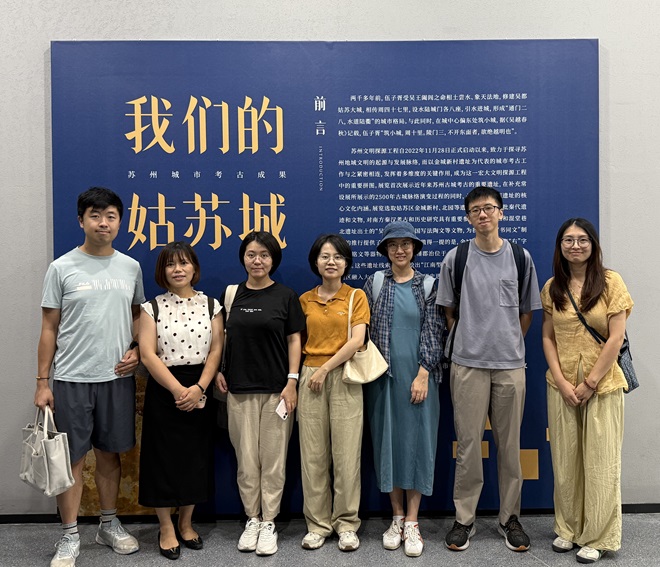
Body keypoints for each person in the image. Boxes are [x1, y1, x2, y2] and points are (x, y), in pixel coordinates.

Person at [34, 187, 145, 567]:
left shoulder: (130, 267)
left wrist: (138, 349)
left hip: (116, 378)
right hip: (71, 379)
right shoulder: (61, 267)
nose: (103, 223)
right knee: (72, 461)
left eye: (111, 216)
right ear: (81, 220)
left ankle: (108, 525)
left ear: (120, 221)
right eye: (95, 215)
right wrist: (42, 382)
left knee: (110, 455)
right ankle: (69, 535)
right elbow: (49, 328)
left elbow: (137, 316)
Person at [436, 186, 541, 553]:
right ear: (468, 217)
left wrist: (507, 343)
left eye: (489, 208)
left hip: (510, 366)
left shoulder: (520, 257)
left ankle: (509, 518)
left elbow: (526, 313)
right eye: (476, 210)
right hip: (467, 365)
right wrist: (471, 339)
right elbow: (448, 311)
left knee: (509, 447)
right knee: (468, 446)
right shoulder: (457, 257)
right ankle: (464, 519)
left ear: (501, 213)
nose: (483, 214)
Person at [541, 218, 632, 564]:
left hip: (602, 384)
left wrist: (590, 382)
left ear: (593, 245)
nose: (575, 246)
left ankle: (597, 536)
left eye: (582, 240)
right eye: (568, 240)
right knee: (565, 460)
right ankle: (568, 529)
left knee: (600, 462)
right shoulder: (553, 287)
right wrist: (562, 381)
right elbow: (547, 337)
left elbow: (616, 337)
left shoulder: (611, 282)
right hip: (562, 384)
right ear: (560, 246)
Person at [215, 231, 305, 557]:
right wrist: (219, 370)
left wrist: (292, 381)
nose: (258, 261)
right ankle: (252, 519)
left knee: (274, 461)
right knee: (246, 461)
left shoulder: (286, 296)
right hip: (239, 390)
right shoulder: (231, 295)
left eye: (264, 255)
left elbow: (295, 340)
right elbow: (221, 338)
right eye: (252, 254)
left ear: (273, 260)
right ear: (243, 258)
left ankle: (269, 522)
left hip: (277, 391)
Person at [363, 221, 445, 557]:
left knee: (418, 444)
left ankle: (413, 521)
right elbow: (364, 332)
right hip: (383, 379)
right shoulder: (375, 283)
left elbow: (435, 330)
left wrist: (423, 373)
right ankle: (396, 517)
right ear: (385, 250)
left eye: (406, 244)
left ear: (414, 249)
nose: (400, 250)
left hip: (419, 379)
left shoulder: (429, 285)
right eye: (393, 245)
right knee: (388, 444)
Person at [138, 241, 223, 560]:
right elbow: (147, 353)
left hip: (200, 385)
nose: (178, 269)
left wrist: (199, 387)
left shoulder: (212, 305)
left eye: (184, 263)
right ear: (163, 271)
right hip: (164, 388)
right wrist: (177, 390)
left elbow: (216, 349)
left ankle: (186, 523)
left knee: (194, 458)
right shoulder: (152, 307)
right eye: (171, 264)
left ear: (194, 268)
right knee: (161, 459)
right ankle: (165, 527)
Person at [298, 234, 369, 552]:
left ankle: (347, 524)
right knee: (312, 456)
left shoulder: (355, 296)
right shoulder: (304, 300)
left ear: (346, 263)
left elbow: (357, 340)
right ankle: (317, 525)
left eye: (338, 257)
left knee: (346, 455)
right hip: (309, 376)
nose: (331, 262)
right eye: (325, 256)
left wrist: (326, 369)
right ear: (315, 262)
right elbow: (297, 342)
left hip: (344, 377)